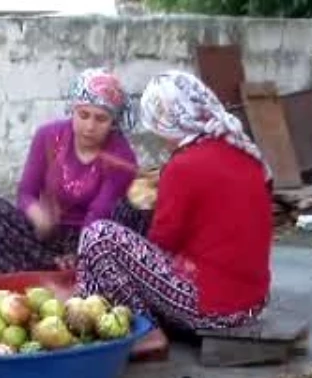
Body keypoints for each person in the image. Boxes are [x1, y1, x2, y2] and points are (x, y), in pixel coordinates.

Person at [73, 70, 273, 335]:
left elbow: (164, 240)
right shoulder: (242, 151)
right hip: (252, 303)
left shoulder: (183, 166)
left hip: (216, 309)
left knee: (98, 236)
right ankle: (95, 314)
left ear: (167, 120)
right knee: (122, 231)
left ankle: (142, 331)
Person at [0, 68, 146, 274]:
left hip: (93, 239)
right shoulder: (48, 136)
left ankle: (67, 271)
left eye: (100, 119)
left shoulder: (121, 157)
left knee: (127, 218)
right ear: (72, 110)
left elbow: (99, 213)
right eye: (83, 115)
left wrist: (79, 254)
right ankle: (53, 269)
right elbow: (26, 192)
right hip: (48, 236)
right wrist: (37, 215)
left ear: (113, 122)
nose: (90, 126)